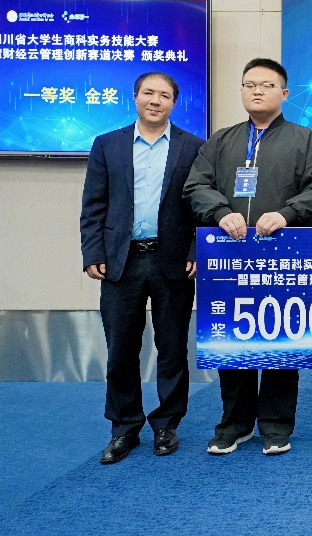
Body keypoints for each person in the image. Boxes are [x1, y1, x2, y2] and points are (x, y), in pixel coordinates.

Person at [184, 57, 312, 456]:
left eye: (266, 85)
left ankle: (276, 425)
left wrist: (287, 213)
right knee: (232, 341)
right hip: (230, 255)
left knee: (281, 337)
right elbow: (196, 185)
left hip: (284, 253)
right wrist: (220, 212)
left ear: (284, 93)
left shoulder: (306, 140)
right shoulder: (221, 140)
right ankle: (234, 424)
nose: (257, 91)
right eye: (250, 84)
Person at [79, 72, 205, 464]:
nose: (155, 100)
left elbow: (201, 206)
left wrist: (196, 249)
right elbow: (94, 204)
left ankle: (167, 424)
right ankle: (124, 428)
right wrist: (92, 252)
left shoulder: (193, 147)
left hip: (173, 261)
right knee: (120, 349)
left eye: (164, 95)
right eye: (148, 93)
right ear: (135, 97)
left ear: (174, 103)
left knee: (172, 348)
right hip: (122, 260)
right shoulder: (108, 144)